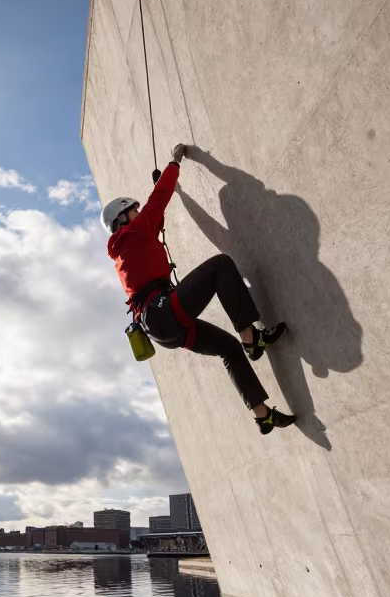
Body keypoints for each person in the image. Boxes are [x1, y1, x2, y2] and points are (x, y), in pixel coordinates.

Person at [103, 143, 295, 435]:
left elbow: (155, 221)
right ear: (122, 219)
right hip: (163, 313)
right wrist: (173, 164)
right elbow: (158, 202)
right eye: (134, 210)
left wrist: (168, 188)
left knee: (228, 349)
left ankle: (263, 416)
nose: (138, 212)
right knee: (221, 266)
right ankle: (251, 338)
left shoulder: (127, 245)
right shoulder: (131, 234)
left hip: (161, 325)